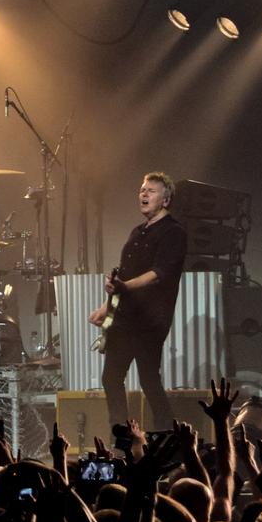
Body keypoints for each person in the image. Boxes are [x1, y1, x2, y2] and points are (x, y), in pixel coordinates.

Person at [87, 172, 187, 430]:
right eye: (142, 189)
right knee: (111, 377)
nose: (143, 194)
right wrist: (106, 306)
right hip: (124, 317)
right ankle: (122, 438)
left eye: (151, 191)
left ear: (165, 200)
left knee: (148, 380)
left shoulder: (173, 232)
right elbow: (124, 273)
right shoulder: (137, 231)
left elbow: (159, 275)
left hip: (150, 319)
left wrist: (124, 286)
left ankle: (167, 435)